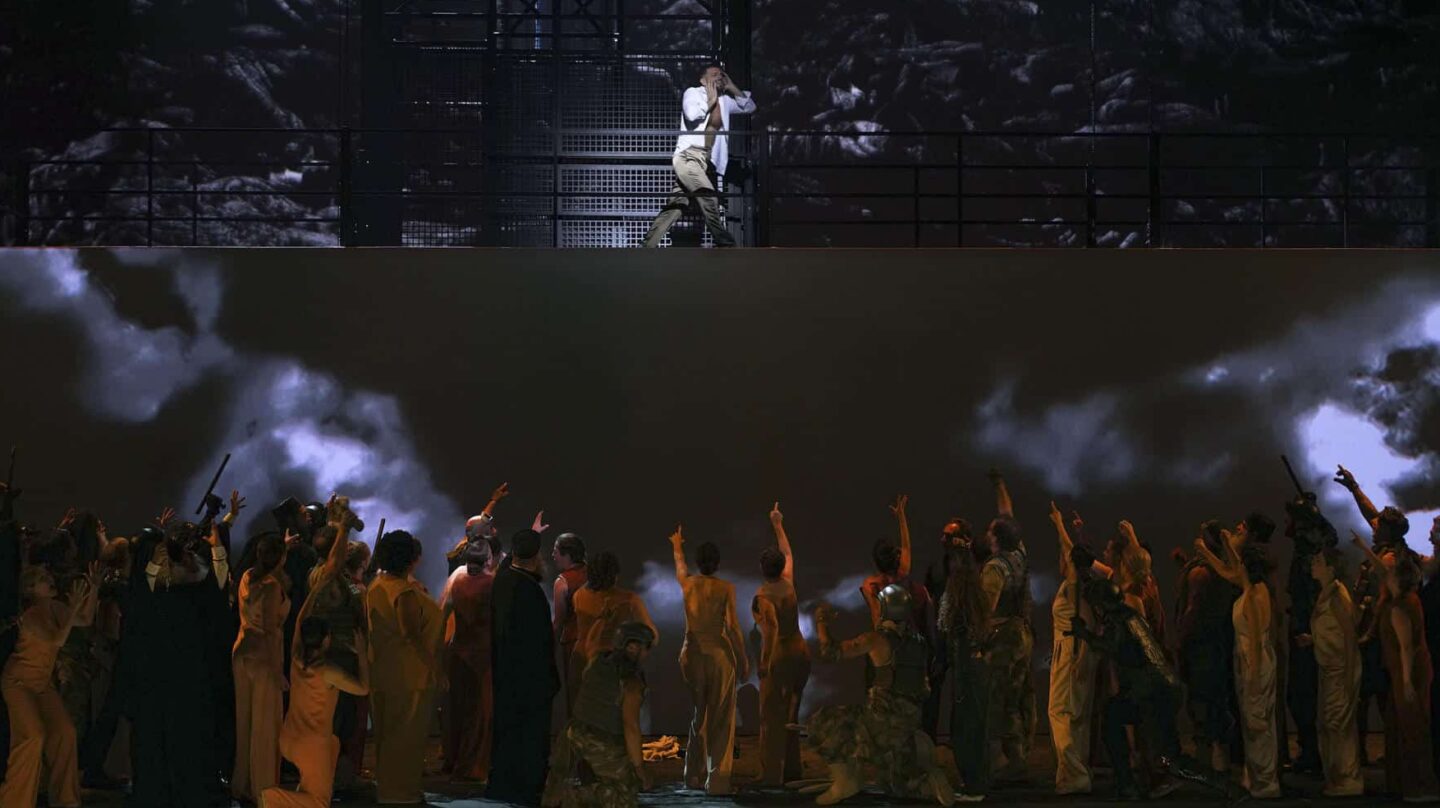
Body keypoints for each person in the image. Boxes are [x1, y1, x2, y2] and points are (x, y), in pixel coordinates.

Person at [802, 586, 953, 806]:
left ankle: (845, 782)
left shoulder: (876, 640)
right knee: (896, 787)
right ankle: (927, 781)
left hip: (881, 723)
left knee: (824, 721)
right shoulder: (919, 643)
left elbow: (830, 652)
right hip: (909, 724)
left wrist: (821, 622)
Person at [1067, 576, 1212, 801]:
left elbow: (1112, 647)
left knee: (1113, 718)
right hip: (1162, 689)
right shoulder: (1130, 615)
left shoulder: (1117, 620)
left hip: (1151, 694)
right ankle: (1154, 777)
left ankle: (1128, 784)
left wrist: (1084, 634)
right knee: (1165, 749)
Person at [121, 518, 232, 807]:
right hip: (189, 672)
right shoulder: (198, 581)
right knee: (186, 734)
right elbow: (220, 583)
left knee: (167, 734)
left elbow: (144, 588)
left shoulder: (157, 586)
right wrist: (217, 545)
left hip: (166, 672)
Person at [1193, 530, 1281, 798]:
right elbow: (1227, 570)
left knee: (1259, 724)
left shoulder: (1255, 595)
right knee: (1253, 723)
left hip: (1255, 663)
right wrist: (1210, 552)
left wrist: (1253, 673)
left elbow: (1255, 639)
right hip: (1249, 661)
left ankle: (1266, 783)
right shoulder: (1252, 588)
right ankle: (1258, 779)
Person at [1355, 532, 1440, 802]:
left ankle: (1418, 786)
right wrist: (1364, 549)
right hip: (1403, 673)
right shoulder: (1396, 600)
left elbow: (1406, 649)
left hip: (1409, 675)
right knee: (1400, 725)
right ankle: (1404, 783)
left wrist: (1405, 683)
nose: (1384, 574)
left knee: (1411, 727)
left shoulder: (1401, 607)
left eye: (1389, 573)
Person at [0, 565, 93, 807]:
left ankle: (66, 799)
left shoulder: (56, 608)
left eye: (48, 576)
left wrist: (94, 589)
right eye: (42, 579)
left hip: (42, 684)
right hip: (19, 683)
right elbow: (56, 640)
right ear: (31, 589)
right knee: (32, 736)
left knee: (65, 732)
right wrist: (72, 610)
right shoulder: (32, 614)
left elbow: (86, 619)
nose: (49, 580)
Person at [668, 525, 749, 794]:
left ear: (698, 562)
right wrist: (743, 659)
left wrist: (677, 545)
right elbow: (734, 628)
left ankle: (693, 775)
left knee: (699, 714)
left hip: (691, 654)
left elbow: (680, 568)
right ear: (717, 563)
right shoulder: (726, 588)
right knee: (721, 718)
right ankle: (717, 781)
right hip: (718, 656)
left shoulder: (688, 584)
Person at [542, 622, 657, 808]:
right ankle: (569, 798)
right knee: (625, 797)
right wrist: (640, 768)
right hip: (601, 740)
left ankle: (553, 795)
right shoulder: (630, 681)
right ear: (633, 647)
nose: (647, 654)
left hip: (572, 732)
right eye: (646, 648)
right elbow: (631, 726)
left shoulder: (597, 660)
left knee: (558, 777)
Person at [260, 616, 371, 808]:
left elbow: (297, 625)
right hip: (312, 746)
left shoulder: (297, 659)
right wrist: (361, 653)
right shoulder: (328, 671)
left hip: (291, 739)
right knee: (319, 803)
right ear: (327, 640)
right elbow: (363, 688)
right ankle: (270, 798)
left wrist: (313, 596)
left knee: (332, 745)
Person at [366, 529, 443, 805]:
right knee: (406, 737)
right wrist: (435, 668)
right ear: (411, 559)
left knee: (388, 736)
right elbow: (410, 634)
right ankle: (401, 794)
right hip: (410, 674)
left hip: (383, 670)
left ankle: (390, 790)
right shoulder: (403, 592)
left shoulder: (376, 585)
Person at [641, 63, 755, 248]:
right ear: (703, 80)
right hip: (688, 157)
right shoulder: (693, 93)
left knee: (676, 205)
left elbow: (749, 107)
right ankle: (726, 243)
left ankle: (646, 245)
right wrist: (709, 102)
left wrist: (732, 87)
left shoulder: (725, 101)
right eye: (715, 74)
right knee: (708, 196)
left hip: (704, 161)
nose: (719, 77)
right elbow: (692, 114)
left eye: (722, 75)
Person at [299, 501, 369, 794]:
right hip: (338, 656)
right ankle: (334, 780)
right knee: (339, 723)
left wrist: (334, 521)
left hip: (330, 656)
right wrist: (342, 527)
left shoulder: (319, 572)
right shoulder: (328, 577)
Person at [489, 529, 562, 807]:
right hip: (530, 680)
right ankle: (526, 788)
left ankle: (506, 785)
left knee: (508, 734)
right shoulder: (528, 590)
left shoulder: (503, 579)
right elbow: (539, 641)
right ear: (535, 557)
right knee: (529, 738)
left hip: (507, 676)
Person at [978, 470, 1034, 781]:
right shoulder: (1019, 554)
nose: (987, 534)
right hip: (1022, 633)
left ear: (997, 539)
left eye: (990, 532)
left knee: (998, 700)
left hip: (1002, 637)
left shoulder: (996, 567)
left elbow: (986, 608)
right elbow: (1006, 514)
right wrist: (1000, 486)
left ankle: (1004, 761)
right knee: (1017, 696)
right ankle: (1019, 757)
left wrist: (978, 639)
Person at [1173, 520, 1241, 775]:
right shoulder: (1224, 570)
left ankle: (1206, 758)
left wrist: (1180, 639)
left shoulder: (1204, 572)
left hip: (1201, 646)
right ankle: (1217, 756)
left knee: (1202, 700)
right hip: (1217, 643)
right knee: (1215, 699)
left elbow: (1194, 607)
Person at [754, 502, 812, 787]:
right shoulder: (788, 581)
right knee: (791, 711)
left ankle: (770, 774)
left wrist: (765, 661)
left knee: (771, 715)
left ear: (762, 569)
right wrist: (777, 523)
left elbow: (771, 630)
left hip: (781, 654)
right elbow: (788, 552)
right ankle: (792, 769)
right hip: (800, 651)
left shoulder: (764, 595)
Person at [1045, 501, 1101, 795]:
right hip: (1080, 649)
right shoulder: (1086, 580)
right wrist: (1071, 531)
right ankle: (1076, 771)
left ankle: (1075, 772)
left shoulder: (1075, 584)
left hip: (1071, 649)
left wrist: (1058, 524)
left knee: (1060, 711)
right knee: (1077, 714)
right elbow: (1075, 553)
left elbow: (1071, 554)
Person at [233, 529, 292, 802]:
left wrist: (282, 549)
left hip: (242, 651)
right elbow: (269, 629)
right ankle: (264, 787)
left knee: (245, 719)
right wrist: (277, 672)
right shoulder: (270, 586)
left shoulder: (247, 577)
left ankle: (243, 782)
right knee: (265, 725)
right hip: (264, 656)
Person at [1303, 547, 1363, 797]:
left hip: (1340, 671)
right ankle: (1338, 778)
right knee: (1329, 723)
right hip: (1330, 669)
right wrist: (1313, 639)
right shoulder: (1326, 594)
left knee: (1338, 724)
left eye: (1318, 561)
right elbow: (1334, 631)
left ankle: (1348, 780)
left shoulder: (1337, 595)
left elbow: (1349, 637)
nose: (1312, 565)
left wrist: (1349, 677)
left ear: (1330, 568)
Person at [937, 533, 991, 801]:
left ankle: (973, 785)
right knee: (977, 723)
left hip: (965, 666)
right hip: (977, 664)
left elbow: (944, 626)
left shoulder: (955, 595)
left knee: (964, 725)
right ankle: (977, 781)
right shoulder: (978, 593)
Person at [439, 540, 495, 782]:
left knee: (457, 710)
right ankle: (471, 766)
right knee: (478, 713)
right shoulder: (491, 584)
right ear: (488, 560)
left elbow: (443, 614)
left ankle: (453, 761)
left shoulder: (457, 581)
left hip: (458, 650)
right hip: (481, 654)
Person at [571, 551, 659, 687]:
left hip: (580, 661)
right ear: (615, 575)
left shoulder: (578, 596)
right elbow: (652, 636)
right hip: (612, 665)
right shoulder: (629, 600)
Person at [921, 516, 970, 740]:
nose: (943, 540)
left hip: (964, 634)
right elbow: (930, 597)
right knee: (934, 686)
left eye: (949, 536)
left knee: (961, 690)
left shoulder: (972, 568)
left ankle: (959, 737)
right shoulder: (937, 567)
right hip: (941, 635)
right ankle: (929, 737)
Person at [552, 532, 589, 715]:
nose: (553, 556)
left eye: (556, 551)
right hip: (597, 641)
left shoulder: (562, 581)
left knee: (576, 694)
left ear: (567, 555)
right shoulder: (593, 574)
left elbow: (558, 621)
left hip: (574, 643)